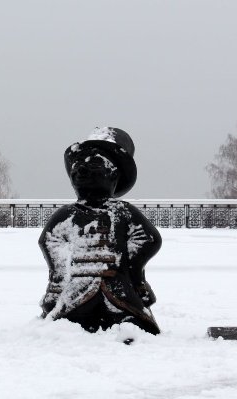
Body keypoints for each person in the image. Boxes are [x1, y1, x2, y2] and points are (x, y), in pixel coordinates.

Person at [39, 127, 162, 336]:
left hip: (117, 286)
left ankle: (127, 331)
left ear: (114, 175)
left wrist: (128, 269)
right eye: (77, 168)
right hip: (78, 286)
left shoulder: (122, 211)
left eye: (94, 165)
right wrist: (59, 278)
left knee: (132, 322)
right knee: (68, 322)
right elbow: (50, 240)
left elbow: (149, 239)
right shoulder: (68, 213)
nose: (82, 172)